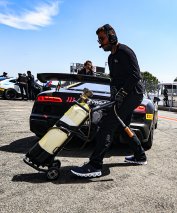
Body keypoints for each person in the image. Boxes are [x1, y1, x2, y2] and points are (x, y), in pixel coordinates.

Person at [71, 24, 147, 178]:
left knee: (108, 125)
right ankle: (140, 156)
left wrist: (123, 93)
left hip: (133, 93)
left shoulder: (125, 51)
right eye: (99, 39)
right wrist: (114, 96)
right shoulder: (111, 57)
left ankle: (95, 165)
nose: (100, 43)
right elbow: (114, 80)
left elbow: (135, 76)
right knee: (121, 125)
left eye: (102, 39)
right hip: (122, 95)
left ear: (112, 36)